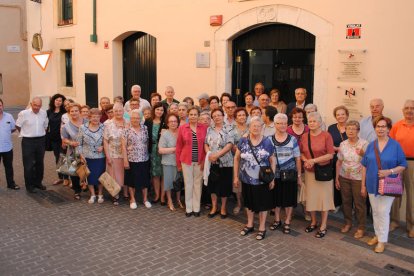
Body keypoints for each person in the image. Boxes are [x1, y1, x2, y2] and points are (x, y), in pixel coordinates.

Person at [361, 116, 407, 253]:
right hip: (371, 184)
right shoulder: (371, 145)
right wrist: (363, 185)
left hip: (388, 185)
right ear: (375, 129)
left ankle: (382, 240)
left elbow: (403, 165)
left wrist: (389, 171)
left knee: (383, 212)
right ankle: (377, 234)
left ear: (388, 129)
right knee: (375, 211)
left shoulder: (395, 145)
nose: (380, 129)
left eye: (383, 126)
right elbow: (364, 166)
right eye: (378, 126)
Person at [233, 116, 276, 240]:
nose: (256, 128)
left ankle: (262, 227)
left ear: (262, 127)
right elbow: (236, 158)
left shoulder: (268, 142)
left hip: (262, 179)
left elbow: (272, 160)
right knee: (249, 202)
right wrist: (236, 176)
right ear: (249, 127)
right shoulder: (243, 141)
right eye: (253, 126)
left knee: (262, 204)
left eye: (258, 126)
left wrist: (272, 178)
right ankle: (250, 224)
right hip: (246, 179)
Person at [300, 112, 335, 238]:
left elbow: (330, 154)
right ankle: (313, 222)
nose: (312, 123)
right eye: (310, 121)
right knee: (311, 198)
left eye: (314, 121)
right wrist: (305, 161)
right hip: (310, 173)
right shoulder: (304, 136)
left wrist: (313, 161)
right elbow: (301, 153)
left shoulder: (327, 136)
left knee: (324, 199)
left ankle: (323, 225)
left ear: (320, 122)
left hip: (323, 172)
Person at [270, 113, 301, 234]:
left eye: (284, 123)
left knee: (289, 199)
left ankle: (287, 221)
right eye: (279, 123)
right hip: (276, 175)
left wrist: (299, 176)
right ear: (275, 124)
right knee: (276, 199)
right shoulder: (269, 139)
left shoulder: (293, 139)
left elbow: (298, 158)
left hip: (290, 174)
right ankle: (277, 220)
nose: (282, 125)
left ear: (287, 124)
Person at [336, 120, 367, 239]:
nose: (350, 131)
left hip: (359, 178)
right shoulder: (343, 144)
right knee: (346, 202)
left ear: (358, 131)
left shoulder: (364, 144)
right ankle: (348, 223)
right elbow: (339, 162)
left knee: (359, 204)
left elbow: (368, 162)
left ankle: (361, 227)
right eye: (348, 129)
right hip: (344, 177)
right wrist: (337, 178)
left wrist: (364, 185)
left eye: (353, 129)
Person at [176, 107, 208, 217]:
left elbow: (206, 146)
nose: (193, 116)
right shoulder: (182, 128)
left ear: (198, 116)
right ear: (188, 116)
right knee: (188, 184)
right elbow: (179, 146)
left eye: (195, 114)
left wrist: (204, 160)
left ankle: (196, 208)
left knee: (197, 184)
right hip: (186, 160)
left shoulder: (204, 128)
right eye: (191, 114)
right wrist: (178, 163)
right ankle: (188, 208)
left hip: (199, 161)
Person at [389, 100, 414, 238]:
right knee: (395, 193)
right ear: (402, 110)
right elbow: (391, 144)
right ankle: (394, 221)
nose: (409, 110)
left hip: (413, 164)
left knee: (412, 195)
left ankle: (412, 226)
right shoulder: (397, 126)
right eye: (407, 108)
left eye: (412, 108)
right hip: (397, 163)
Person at [205, 108, 234, 219]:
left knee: (224, 186)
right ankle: (214, 207)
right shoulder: (209, 129)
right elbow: (205, 143)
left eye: (219, 115)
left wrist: (217, 155)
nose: (217, 117)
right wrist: (209, 154)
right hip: (212, 162)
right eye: (214, 116)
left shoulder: (229, 129)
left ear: (223, 116)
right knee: (213, 186)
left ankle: (223, 208)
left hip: (225, 162)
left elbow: (230, 144)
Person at [16, 97, 48, 193]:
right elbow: (18, 125)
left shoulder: (43, 113)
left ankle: (38, 183)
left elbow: (45, 126)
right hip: (28, 141)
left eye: (39, 106)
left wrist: (40, 134)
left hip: (41, 140)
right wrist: (26, 133)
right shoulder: (23, 113)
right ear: (31, 104)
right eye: (35, 105)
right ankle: (29, 185)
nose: (37, 108)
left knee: (40, 163)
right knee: (29, 164)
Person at [122, 110, 152, 209]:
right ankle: (132, 199)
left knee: (145, 179)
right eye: (133, 118)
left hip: (144, 158)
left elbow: (147, 142)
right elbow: (123, 146)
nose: (135, 120)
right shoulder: (126, 130)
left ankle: (145, 199)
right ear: (130, 119)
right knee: (131, 180)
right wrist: (125, 160)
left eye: (137, 118)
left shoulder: (145, 128)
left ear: (140, 119)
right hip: (132, 159)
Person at [77, 108, 106, 204]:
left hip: (100, 156)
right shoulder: (82, 127)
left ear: (100, 117)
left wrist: (103, 147)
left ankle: (100, 194)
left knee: (100, 176)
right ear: (89, 117)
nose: (95, 119)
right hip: (87, 156)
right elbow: (79, 143)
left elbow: (107, 140)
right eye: (93, 117)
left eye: (98, 117)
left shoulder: (104, 127)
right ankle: (93, 194)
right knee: (90, 177)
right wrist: (81, 155)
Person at [104, 102, 130, 204]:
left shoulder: (128, 122)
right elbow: (105, 141)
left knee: (125, 174)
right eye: (116, 111)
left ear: (123, 111)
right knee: (114, 175)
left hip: (126, 155)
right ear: (113, 112)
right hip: (113, 154)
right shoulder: (108, 124)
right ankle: (115, 194)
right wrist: (108, 156)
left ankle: (126, 193)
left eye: (120, 110)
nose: (118, 112)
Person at [159, 113, 184, 211]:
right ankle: (169, 200)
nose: (173, 123)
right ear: (167, 123)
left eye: (175, 121)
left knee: (178, 182)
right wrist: (175, 149)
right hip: (168, 162)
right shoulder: (165, 134)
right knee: (168, 183)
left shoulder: (181, 132)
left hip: (180, 162)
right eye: (171, 121)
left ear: (178, 122)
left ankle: (178, 200)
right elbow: (160, 150)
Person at [61, 103, 86, 200]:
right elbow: (64, 139)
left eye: (76, 111)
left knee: (87, 170)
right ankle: (77, 190)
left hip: (87, 151)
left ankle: (91, 187)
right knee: (75, 172)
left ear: (79, 112)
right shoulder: (66, 126)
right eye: (72, 111)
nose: (74, 113)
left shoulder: (87, 122)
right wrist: (71, 142)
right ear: (69, 113)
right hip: (73, 152)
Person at [328, 105, 349, 212]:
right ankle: (337, 203)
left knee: (347, 182)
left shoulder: (351, 127)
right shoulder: (331, 128)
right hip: (335, 159)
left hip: (349, 161)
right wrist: (336, 148)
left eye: (342, 114)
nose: (340, 116)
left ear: (347, 115)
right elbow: (327, 143)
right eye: (338, 114)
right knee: (336, 182)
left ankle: (348, 206)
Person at [145, 102, 166, 204]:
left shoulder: (166, 121)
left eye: (161, 110)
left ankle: (163, 196)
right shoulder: (148, 121)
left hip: (164, 151)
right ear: (154, 110)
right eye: (157, 109)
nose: (159, 112)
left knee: (164, 174)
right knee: (155, 174)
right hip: (152, 151)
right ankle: (157, 195)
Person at [46, 93, 68, 186]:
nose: (58, 102)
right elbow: (46, 125)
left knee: (64, 158)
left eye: (60, 101)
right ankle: (60, 178)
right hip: (53, 139)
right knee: (58, 158)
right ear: (53, 101)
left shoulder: (64, 113)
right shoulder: (49, 112)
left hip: (63, 139)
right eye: (57, 100)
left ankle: (67, 178)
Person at [232, 107, 249, 214]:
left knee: (248, 183)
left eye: (243, 115)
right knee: (236, 183)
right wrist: (238, 150)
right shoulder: (232, 129)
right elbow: (231, 143)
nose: (242, 117)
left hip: (249, 161)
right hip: (237, 159)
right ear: (235, 118)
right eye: (239, 115)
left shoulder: (251, 127)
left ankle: (247, 203)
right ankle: (239, 203)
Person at [0, 99, 19, 190]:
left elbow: (13, 128)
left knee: (9, 167)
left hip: (7, 147)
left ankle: (11, 184)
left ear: (2, 106)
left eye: (0, 105)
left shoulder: (9, 116)